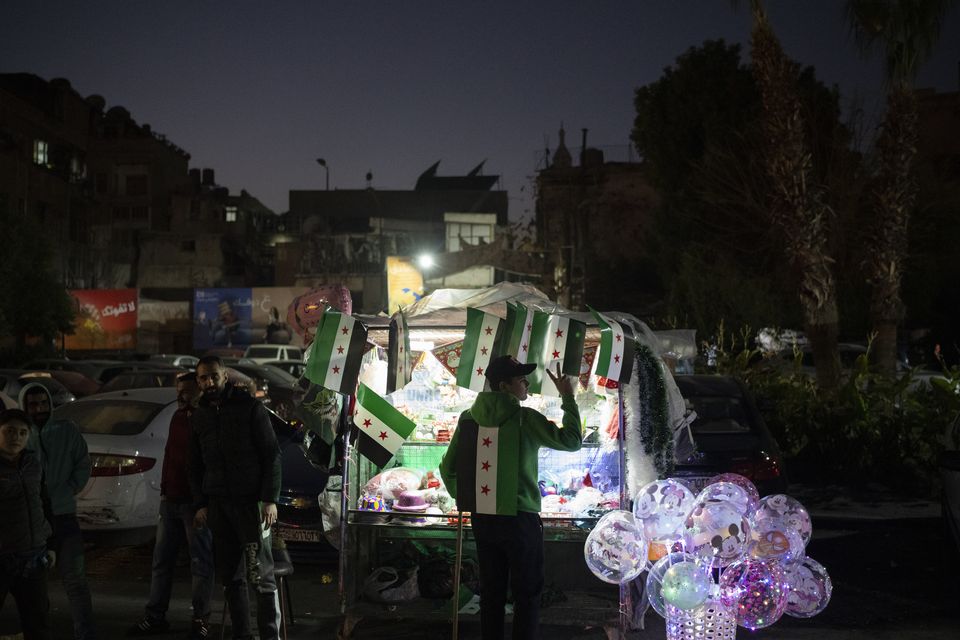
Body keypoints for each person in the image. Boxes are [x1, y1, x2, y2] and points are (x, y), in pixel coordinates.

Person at [439, 356, 583, 640]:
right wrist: (568, 397)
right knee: (526, 595)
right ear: (504, 386)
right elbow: (572, 440)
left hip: (483, 518)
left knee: (491, 593)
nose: (526, 383)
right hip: (520, 521)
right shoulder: (525, 419)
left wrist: (466, 498)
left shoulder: (468, 419)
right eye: (521, 379)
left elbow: (447, 468)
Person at [188, 356, 282, 640]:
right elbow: (194, 464)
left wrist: (269, 498)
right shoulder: (200, 415)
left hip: (250, 507)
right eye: (203, 378)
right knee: (231, 578)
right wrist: (201, 504)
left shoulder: (249, 407)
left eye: (213, 376)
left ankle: (269, 636)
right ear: (198, 381)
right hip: (219, 507)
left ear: (225, 376)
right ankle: (243, 635)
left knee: (260, 576)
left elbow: (271, 454)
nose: (209, 382)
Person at [128, 373, 214, 638]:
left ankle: (200, 619)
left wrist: (204, 502)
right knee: (161, 561)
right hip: (172, 500)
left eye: (187, 390)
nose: (181, 395)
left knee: (200, 562)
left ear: (199, 390)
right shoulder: (178, 417)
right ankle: (155, 616)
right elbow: (170, 457)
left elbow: (209, 462)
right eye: (179, 390)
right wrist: (164, 492)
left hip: (194, 503)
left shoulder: (206, 419)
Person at [19, 383, 95, 640]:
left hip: (64, 516)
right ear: (24, 406)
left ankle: (85, 634)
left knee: (75, 581)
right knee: (35, 589)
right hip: (33, 521)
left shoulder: (66, 430)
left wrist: (70, 487)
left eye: (43, 403)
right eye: (33, 405)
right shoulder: (19, 434)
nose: (39, 409)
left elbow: (83, 462)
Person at [0, 409, 57, 640]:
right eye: (10, 431)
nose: (16, 437)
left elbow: (43, 502)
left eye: (23, 432)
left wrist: (51, 543)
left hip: (34, 557)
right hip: (2, 558)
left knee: (38, 622)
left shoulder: (33, 463)